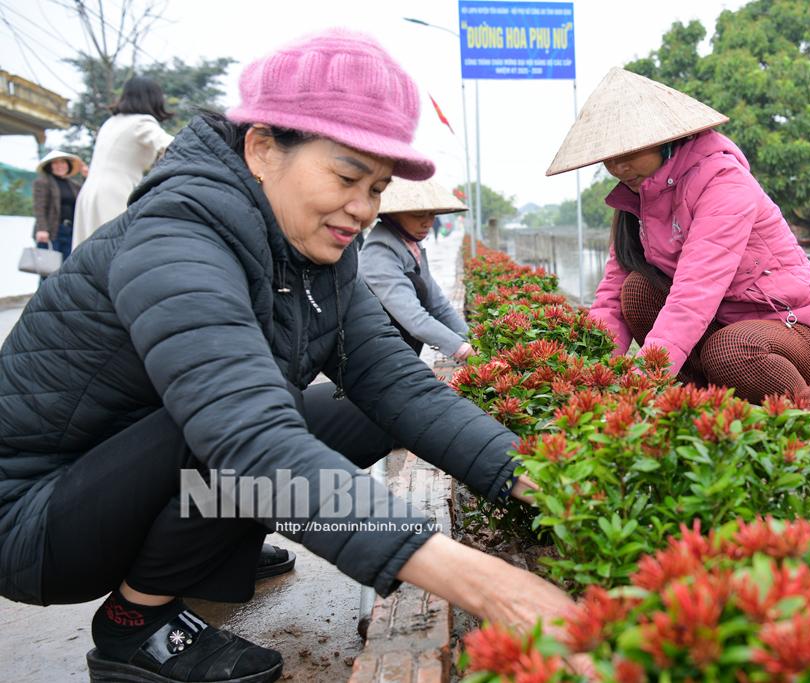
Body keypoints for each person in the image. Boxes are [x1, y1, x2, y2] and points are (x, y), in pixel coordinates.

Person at [0, 29, 569, 683]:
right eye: (347, 176)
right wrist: (491, 585)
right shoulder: (178, 235)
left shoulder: (320, 248)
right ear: (263, 148)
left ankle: (205, 547)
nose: (362, 209)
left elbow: (398, 386)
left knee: (366, 411)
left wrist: (545, 486)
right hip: (36, 518)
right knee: (236, 432)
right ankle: (136, 622)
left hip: (133, 469)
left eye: (378, 187)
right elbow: (247, 439)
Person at [546, 68, 810, 447]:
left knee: (730, 351)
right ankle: (705, 426)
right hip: (719, 327)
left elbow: (693, 293)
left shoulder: (723, 182)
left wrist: (641, 383)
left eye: (628, 153)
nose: (618, 167)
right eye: (608, 158)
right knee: (636, 291)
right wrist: (589, 378)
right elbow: (610, 295)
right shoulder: (635, 199)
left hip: (793, 333)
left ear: (665, 139)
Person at [361, 177, 475, 360]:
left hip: (400, 351)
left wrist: (474, 340)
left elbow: (437, 305)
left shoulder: (409, 245)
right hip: (376, 356)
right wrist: (462, 350)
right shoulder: (379, 252)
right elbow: (414, 319)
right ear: (392, 214)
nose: (428, 223)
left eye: (431, 214)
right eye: (418, 215)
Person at [73, 75, 175, 247]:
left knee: (87, 256)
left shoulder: (109, 123)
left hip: (88, 193)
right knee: (115, 251)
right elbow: (172, 145)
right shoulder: (142, 122)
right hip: (116, 191)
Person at [31, 150, 84, 266]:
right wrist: (42, 229)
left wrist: (86, 176)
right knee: (48, 269)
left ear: (68, 165)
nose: (60, 166)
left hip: (70, 230)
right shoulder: (43, 182)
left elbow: (85, 197)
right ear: (50, 166)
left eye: (63, 163)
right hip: (52, 231)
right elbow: (39, 207)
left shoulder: (73, 185)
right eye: (55, 163)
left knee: (66, 267)